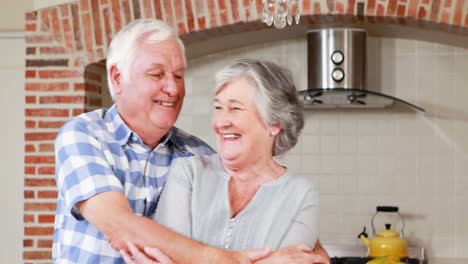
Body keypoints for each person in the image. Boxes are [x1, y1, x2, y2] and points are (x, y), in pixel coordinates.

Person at [52, 17, 328, 263]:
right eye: (157, 74)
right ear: (117, 77)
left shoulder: (196, 156)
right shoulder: (84, 136)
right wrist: (224, 260)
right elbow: (120, 226)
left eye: (178, 75)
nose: (172, 88)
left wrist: (309, 250)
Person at [122, 59, 330, 263]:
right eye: (219, 108)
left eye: (235, 108)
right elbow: (166, 255)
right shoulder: (189, 173)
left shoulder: (300, 194)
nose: (221, 122)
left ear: (274, 123)